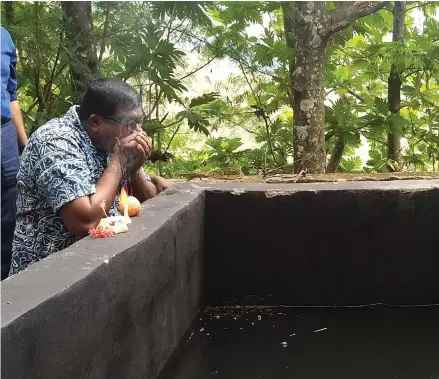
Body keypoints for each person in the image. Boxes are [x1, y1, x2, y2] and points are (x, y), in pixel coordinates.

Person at [9, 78, 172, 276]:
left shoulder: (110, 140)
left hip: (96, 267)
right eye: (129, 123)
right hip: (49, 275)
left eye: (139, 122)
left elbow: (145, 200)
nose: (137, 132)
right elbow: (84, 222)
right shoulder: (56, 142)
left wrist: (133, 169)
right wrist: (119, 161)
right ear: (95, 122)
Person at [1, 25, 28, 280]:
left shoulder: (5, 36)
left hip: (5, 132)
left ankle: (7, 279)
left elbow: (11, 93)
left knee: (12, 202)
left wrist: (25, 143)